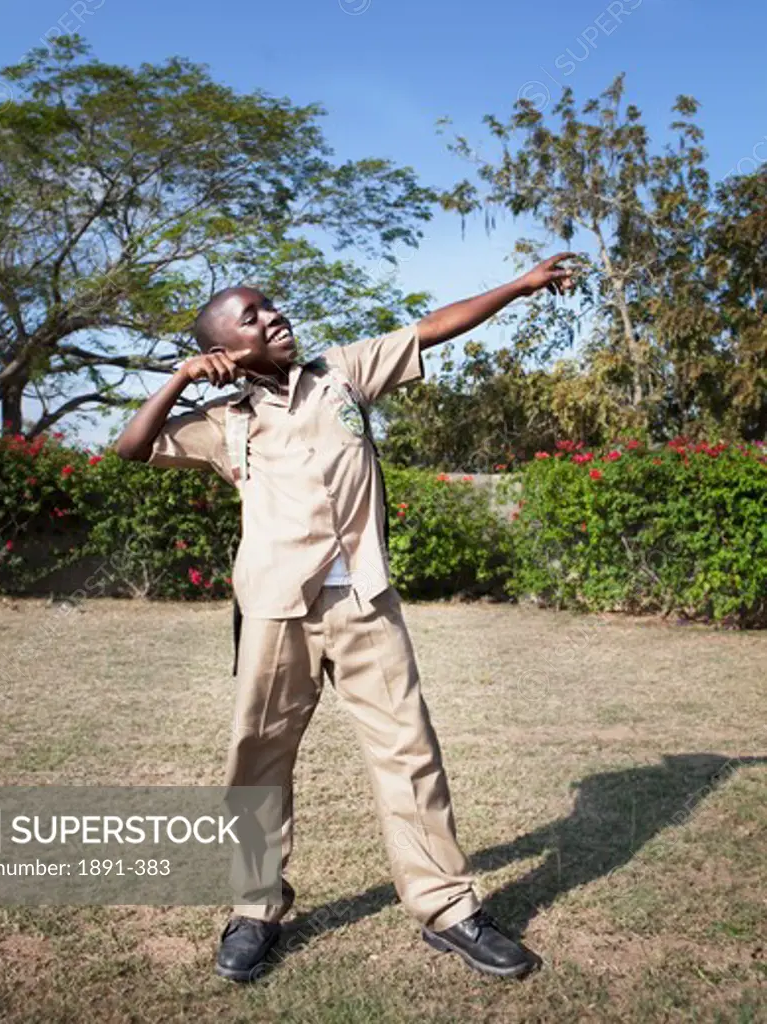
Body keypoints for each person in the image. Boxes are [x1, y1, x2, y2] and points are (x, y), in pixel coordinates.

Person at [114, 252, 575, 982]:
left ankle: (448, 910)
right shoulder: (221, 421)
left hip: (364, 600)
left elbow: (430, 331)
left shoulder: (344, 373)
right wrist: (179, 380)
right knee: (257, 759)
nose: (274, 316)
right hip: (273, 611)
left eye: (271, 304)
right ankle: (254, 908)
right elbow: (131, 448)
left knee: (409, 751)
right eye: (252, 317)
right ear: (223, 347)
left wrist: (519, 287)